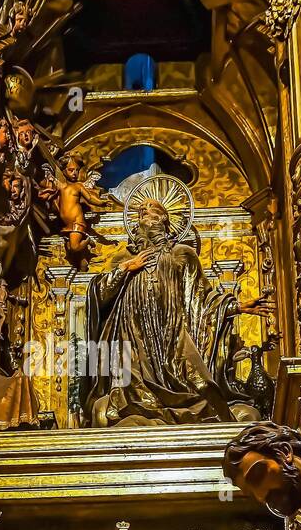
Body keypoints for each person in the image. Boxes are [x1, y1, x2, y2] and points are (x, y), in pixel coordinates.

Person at [84, 176, 270, 426]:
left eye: (151, 212)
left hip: (173, 336)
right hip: (133, 339)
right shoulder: (123, 258)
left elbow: (201, 299)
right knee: (127, 396)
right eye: (140, 214)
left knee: (201, 387)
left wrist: (234, 306)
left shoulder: (183, 254)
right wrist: (127, 268)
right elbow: (99, 295)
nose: (144, 216)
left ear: (164, 220)